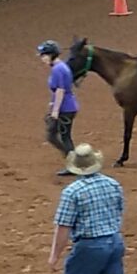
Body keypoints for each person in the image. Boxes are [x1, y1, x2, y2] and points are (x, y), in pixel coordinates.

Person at [49, 143, 127, 274]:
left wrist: (55, 255)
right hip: (114, 241)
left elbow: (63, 228)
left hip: (90, 245)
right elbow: (120, 211)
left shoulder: (72, 192)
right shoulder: (112, 184)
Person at [38, 39, 79, 177]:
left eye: (43, 55)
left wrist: (55, 111)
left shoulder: (58, 69)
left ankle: (73, 162)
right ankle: (73, 161)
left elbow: (60, 90)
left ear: (51, 55)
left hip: (65, 109)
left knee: (59, 136)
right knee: (59, 136)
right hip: (67, 107)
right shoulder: (61, 67)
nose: (42, 58)